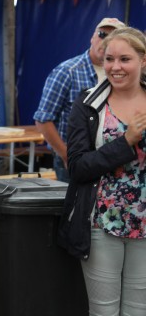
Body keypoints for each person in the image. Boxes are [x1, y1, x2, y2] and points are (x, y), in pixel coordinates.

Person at [58, 27, 146, 315]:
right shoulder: (88, 104)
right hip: (101, 223)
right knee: (104, 311)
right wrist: (126, 142)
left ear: (143, 60)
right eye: (109, 59)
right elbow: (77, 167)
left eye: (125, 59)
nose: (115, 67)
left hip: (144, 225)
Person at [34, 17, 125, 181]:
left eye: (113, 37)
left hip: (112, 159)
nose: (105, 41)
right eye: (102, 34)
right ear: (92, 37)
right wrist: (66, 154)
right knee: (74, 198)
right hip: (76, 158)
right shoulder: (67, 71)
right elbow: (43, 120)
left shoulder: (123, 74)